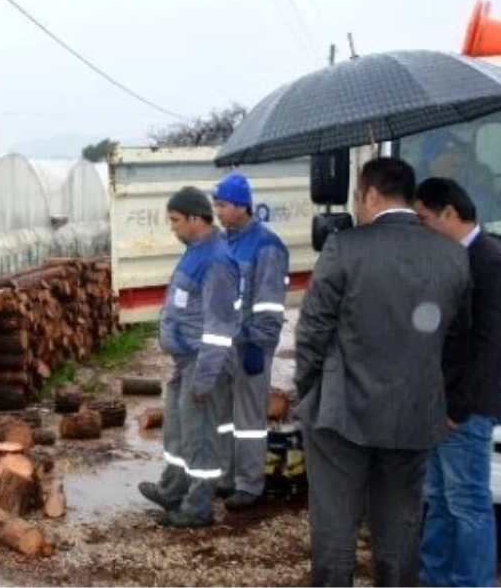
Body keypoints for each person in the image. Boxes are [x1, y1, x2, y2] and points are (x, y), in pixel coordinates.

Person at [295, 158, 471, 586]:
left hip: (341, 415)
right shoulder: (452, 253)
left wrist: (308, 389)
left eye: (358, 195)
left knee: (336, 536)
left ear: (371, 194)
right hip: (413, 414)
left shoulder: (345, 247)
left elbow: (312, 331)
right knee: (399, 537)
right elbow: (458, 338)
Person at [414, 177, 501, 588]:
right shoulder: (450, 258)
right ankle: (435, 577)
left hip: (465, 410)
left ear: (449, 213)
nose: (419, 226)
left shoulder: (492, 263)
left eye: (423, 218)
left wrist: (459, 407)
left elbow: (494, 346)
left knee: (467, 502)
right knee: (437, 499)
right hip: (441, 403)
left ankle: (471, 582)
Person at [138, 186, 239, 528]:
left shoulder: (217, 261)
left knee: (200, 436)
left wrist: (206, 377)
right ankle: (172, 489)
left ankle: (198, 507)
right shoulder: (196, 251)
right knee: (178, 428)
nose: (172, 227)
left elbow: (219, 327)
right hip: (185, 361)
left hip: (202, 361)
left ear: (197, 219)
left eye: (175, 220)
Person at [211, 173, 289, 510]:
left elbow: (270, 302)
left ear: (241, 206)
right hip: (224, 345)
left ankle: (249, 484)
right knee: (225, 416)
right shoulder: (223, 242)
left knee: (248, 420)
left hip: (249, 345)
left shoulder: (266, 245)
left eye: (223, 205)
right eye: (216, 205)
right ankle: (226, 477)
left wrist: (259, 343)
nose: (218, 211)